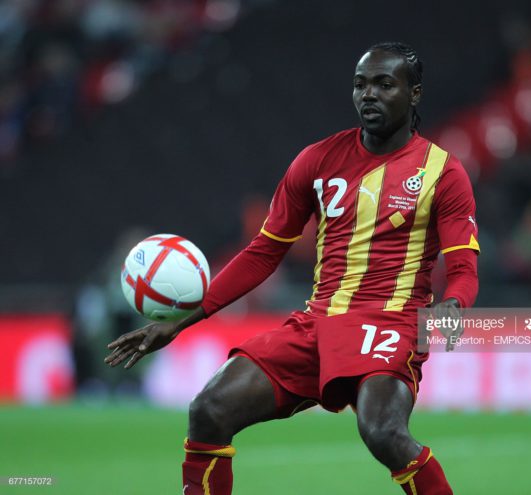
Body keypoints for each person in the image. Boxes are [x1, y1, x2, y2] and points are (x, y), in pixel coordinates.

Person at [105, 41, 480, 495]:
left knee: (383, 433)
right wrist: (181, 322)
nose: (369, 95)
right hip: (317, 323)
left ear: (414, 93)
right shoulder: (317, 161)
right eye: (361, 85)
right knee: (209, 409)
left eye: (385, 84)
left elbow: (462, 265)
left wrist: (455, 303)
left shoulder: (442, 172)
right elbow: (264, 252)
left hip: (390, 323)